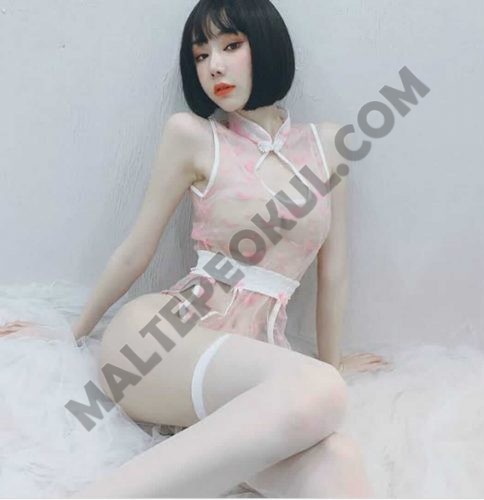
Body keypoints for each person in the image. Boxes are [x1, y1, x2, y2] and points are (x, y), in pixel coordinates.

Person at [3, 0, 389, 497]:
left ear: (266, 45)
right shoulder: (193, 136)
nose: (215, 67)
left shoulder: (328, 145)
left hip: (252, 364)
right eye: (201, 55)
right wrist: (70, 333)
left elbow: (334, 273)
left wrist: (331, 362)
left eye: (231, 46)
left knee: (338, 457)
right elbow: (136, 249)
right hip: (158, 338)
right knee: (320, 388)